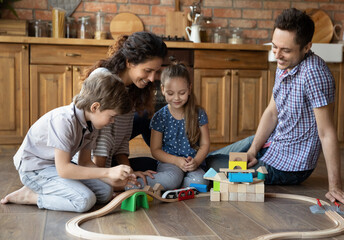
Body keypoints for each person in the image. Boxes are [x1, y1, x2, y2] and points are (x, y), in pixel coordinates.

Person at [206, 8, 344, 206]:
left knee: (211, 165)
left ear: (306, 47)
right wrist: (252, 150)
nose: (278, 55)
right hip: (272, 144)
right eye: (275, 47)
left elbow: (327, 132)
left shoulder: (315, 74)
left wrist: (335, 186)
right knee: (207, 157)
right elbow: (271, 112)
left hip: (288, 166)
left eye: (285, 50)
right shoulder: (284, 64)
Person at [0, 71, 137, 212]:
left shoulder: (91, 124)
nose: (112, 121)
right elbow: (64, 170)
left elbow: (85, 162)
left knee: (106, 192)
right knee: (84, 201)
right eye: (112, 116)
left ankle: (49, 188)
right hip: (35, 169)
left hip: (54, 168)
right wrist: (107, 173)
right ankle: (30, 196)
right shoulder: (63, 121)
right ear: (95, 107)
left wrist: (112, 180)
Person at [83, 31, 168, 188]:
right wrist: (108, 178)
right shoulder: (104, 80)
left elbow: (121, 140)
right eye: (148, 70)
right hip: (90, 165)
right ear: (129, 62)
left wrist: (129, 171)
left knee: (151, 164)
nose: (152, 78)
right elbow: (100, 139)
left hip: (108, 160)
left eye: (156, 72)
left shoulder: (131, 89)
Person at [136, 61, 210, 190]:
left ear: (189, 89)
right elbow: (156, 150)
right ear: (163, 89)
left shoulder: (199, 113)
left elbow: (205, 144)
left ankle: (175, 188)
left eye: (182, 93)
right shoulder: (160, 117)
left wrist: (196, 162)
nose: (176, 98)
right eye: (171, 93)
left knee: (201, 181)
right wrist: (176, 161)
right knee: (171, 179)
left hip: (193, 164)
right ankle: (131, 184)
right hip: (169, 164)